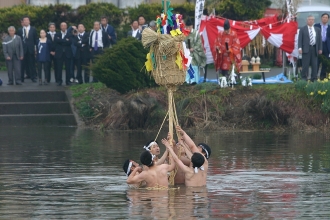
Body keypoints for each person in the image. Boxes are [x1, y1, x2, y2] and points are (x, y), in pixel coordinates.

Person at [298, 15, 322, 82]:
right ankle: (304, 78)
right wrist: (300, 48)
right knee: (305, 65)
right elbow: (300, 39)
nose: (311, 21)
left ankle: (313, 78)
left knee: (315, 65)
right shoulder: (303, 29)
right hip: (306, 49)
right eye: (309, 19)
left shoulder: (317, 29)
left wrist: (320, 48)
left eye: (312, 19)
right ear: (307, 20)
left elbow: (319, 40)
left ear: (314, 21)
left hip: (314, 49)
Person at [184, 17, 206, 84]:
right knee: (187, 67)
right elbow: (183, 43)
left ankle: (195, 81)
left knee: (194, 67)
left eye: (189, 27)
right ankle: (187, 81)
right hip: (187, 53)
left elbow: (199, 44)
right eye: (186, 27)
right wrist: (186, 48)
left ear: (192, 26)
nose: (188, 29)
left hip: (195, 54)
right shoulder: (184, 34)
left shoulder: (196, 33)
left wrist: (193, 48)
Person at [17, 16, 38, 82]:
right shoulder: (20, 30)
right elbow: (18, 41)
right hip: (23, 50)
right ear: (23, 22)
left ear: (29, 21)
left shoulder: (33, 29)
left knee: (32, 64)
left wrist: (35, 48)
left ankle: (33, 77)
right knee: (22, 64)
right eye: (24, 20)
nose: (26, 21)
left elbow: (35, 40)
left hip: (31, 49)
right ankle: (21, 78)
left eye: (27, 20)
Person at [314, 13, 330, 80]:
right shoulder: (316, 26)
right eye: (323, 17)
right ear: (321, 18)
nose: (325, 19)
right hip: (318, 45)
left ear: (328, 19)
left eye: (326, 17)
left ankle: (322, 77)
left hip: (326, 46)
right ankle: (314, 77)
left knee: (325, 62)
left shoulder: (329, 27)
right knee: (316, 61)